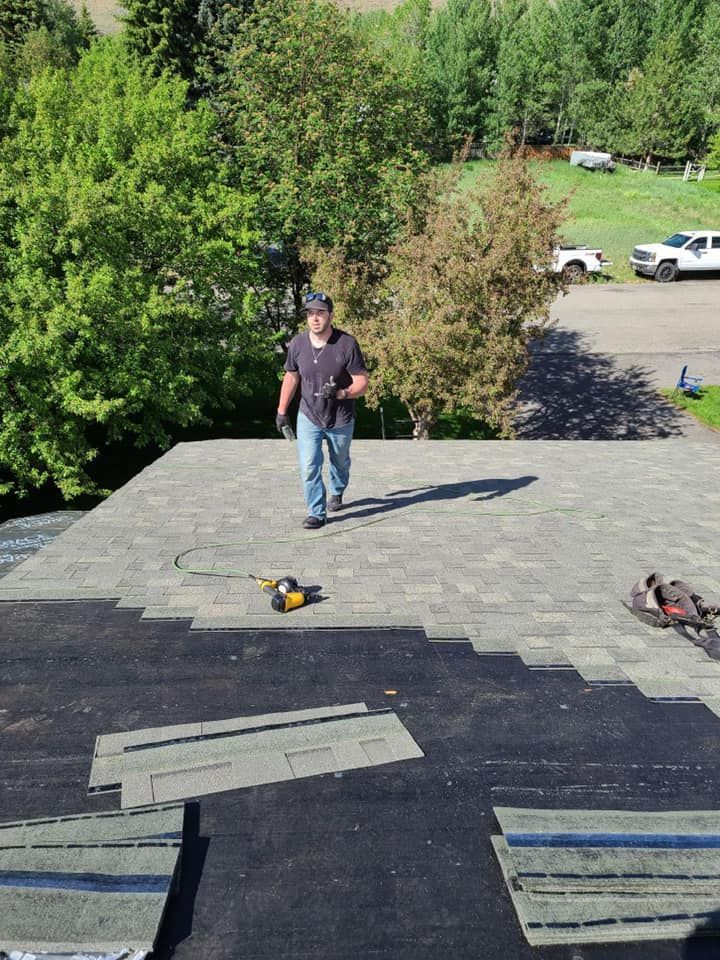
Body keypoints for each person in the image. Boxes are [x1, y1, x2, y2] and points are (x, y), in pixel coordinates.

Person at [276, 292, 368, 529]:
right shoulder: (297, 344)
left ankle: (337, 490)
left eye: (320, 313)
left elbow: (362, 382)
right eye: (310, 313)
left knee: (340, 461)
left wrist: (342, 393)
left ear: (330, 315)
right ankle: (317, 512)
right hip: (309, 415)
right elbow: (291, 377)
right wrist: (282, 410)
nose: (315, 318)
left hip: (340, 417)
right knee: (309, 465)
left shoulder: (346, 344)